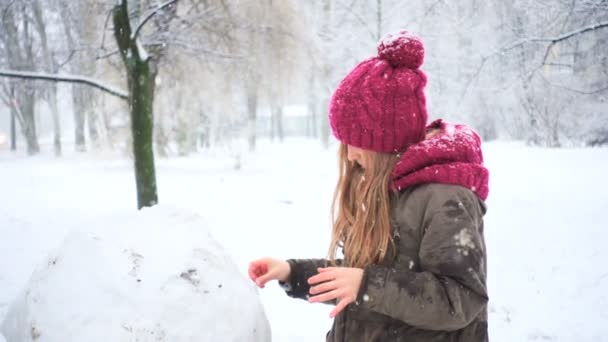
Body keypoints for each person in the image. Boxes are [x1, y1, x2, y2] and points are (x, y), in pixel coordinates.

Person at [248, 30, 490, 342]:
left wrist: (367, 286)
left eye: (357, 143)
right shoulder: (385, 188)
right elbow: (359, 274)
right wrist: (291, 272)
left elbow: (461, 298)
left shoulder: (445, 198)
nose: (349, 156)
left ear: (387, 142)